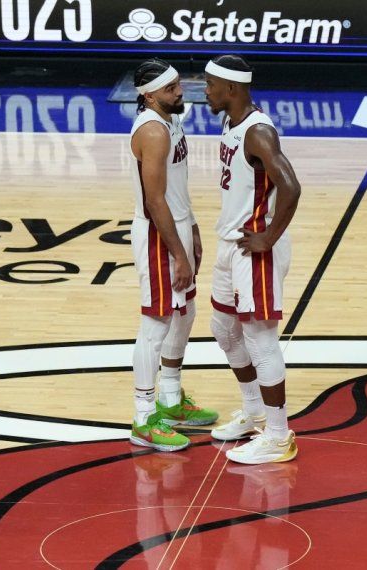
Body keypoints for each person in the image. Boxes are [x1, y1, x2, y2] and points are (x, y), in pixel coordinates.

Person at [204, 55, 302, 464]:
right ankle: (254, 409)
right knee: (223, 330)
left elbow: (292, 187)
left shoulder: (258, 132)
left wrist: (269, 237)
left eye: (210, 85)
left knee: (260, 340)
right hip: (231, 245)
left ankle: (279, 436)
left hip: (254, 249)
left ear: (232, 89)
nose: (204, 92)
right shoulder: (231, 121)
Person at [128, 59, 218, 451]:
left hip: (178, 225)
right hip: (157, 233)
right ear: (149, 95)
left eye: (179, 85)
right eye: (171, 89)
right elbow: (155, 199)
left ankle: (170, 398)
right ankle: (144, 417)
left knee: (186, 312)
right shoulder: (153, 131)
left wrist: (193, 226)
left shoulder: (170, 119)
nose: (180, 92)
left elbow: (178, 186)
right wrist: (178, 253)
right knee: (157, 321)